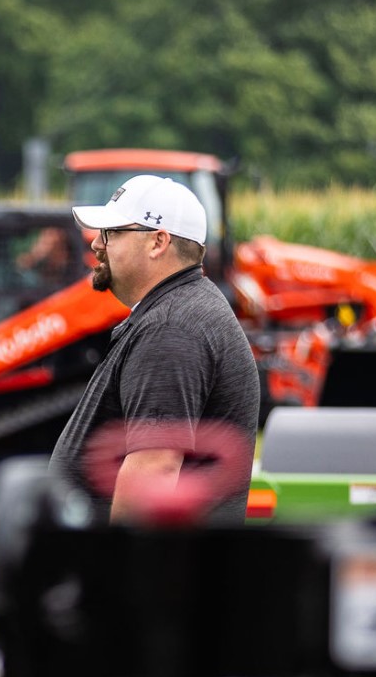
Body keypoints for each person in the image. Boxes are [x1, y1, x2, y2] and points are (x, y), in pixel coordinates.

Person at [48, 174, 260, 521]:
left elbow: (154, 469)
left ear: (158, 242)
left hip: (154, 571)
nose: (96, 246)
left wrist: (122, 574)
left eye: (111, 233)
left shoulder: (172, 327)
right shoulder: (180, 311)